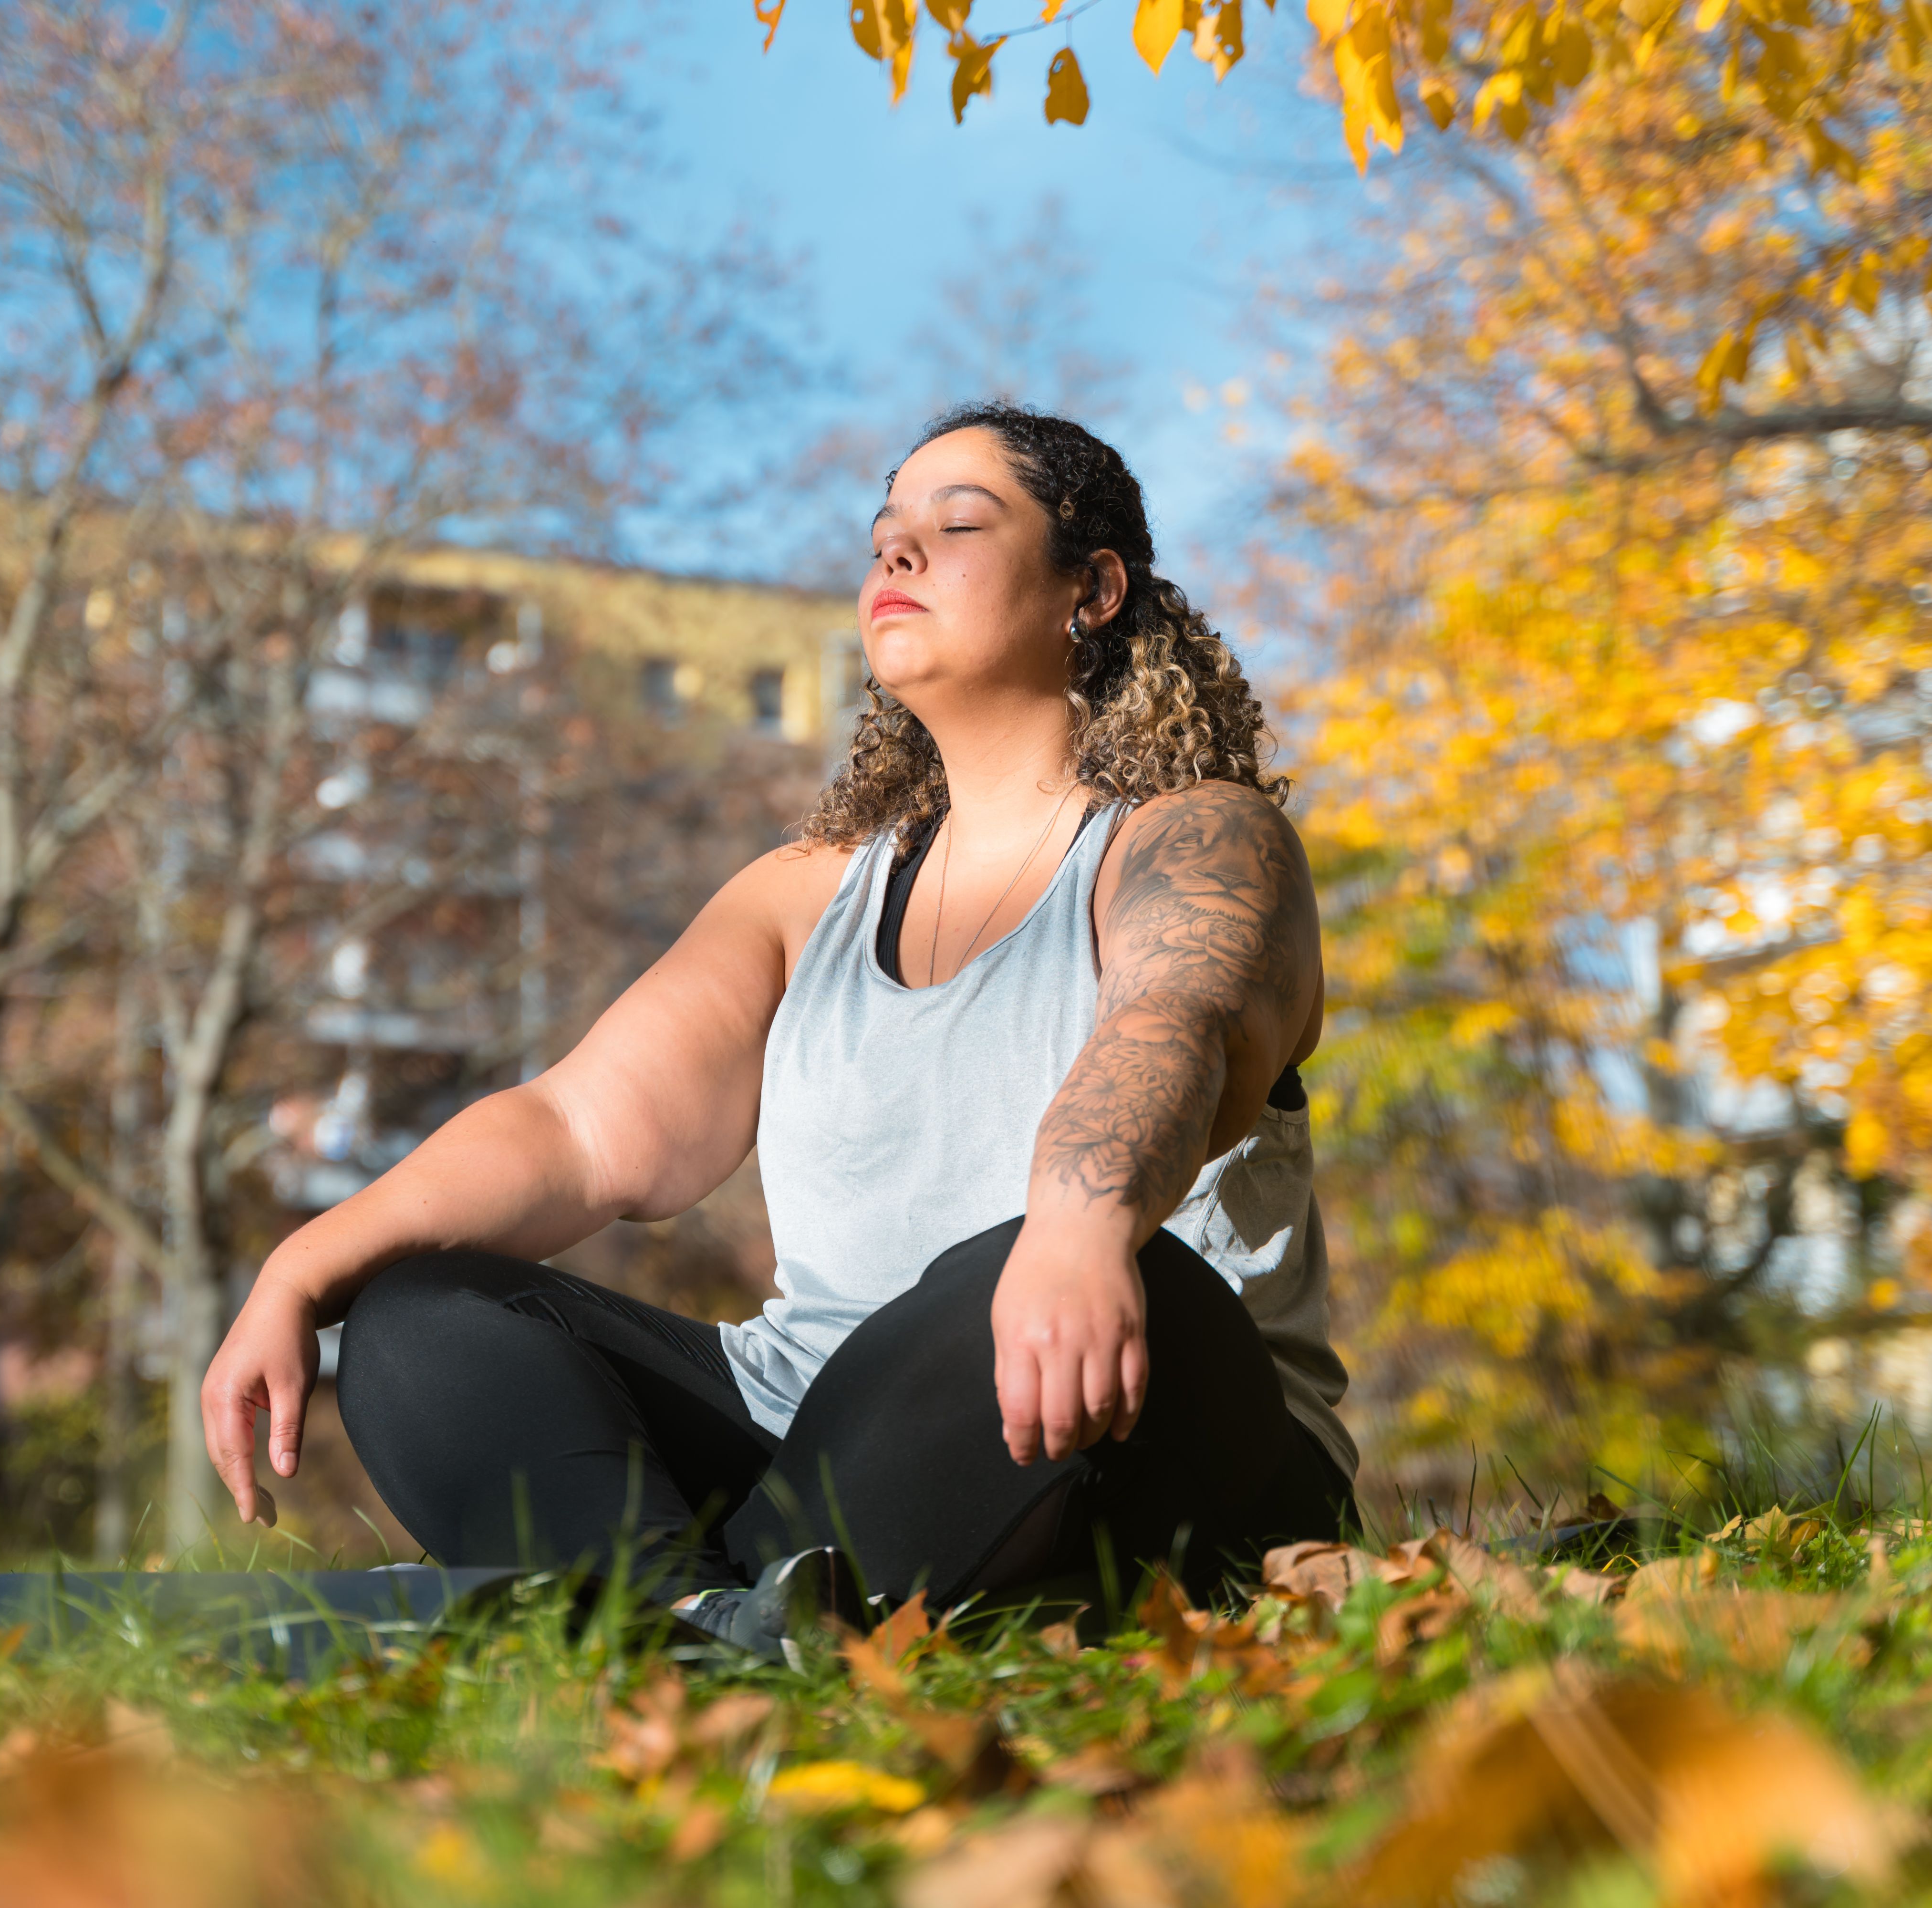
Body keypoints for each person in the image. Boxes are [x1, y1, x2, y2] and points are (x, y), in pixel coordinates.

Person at [200, 401, 1355, 1659]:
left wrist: (1080, 1232)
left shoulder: (1197, 837)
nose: (896, 557)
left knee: (1039, 1266)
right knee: (422, 1320)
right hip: (827, 1449)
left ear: (1093, 587)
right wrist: (301, 1269)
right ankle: (701, 1622)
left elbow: (1172, 1020)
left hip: (1148, 1419)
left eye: (959, 524)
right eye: (882, 537)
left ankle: (699, 1606)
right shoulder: (808, 891)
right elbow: (580, 1132)